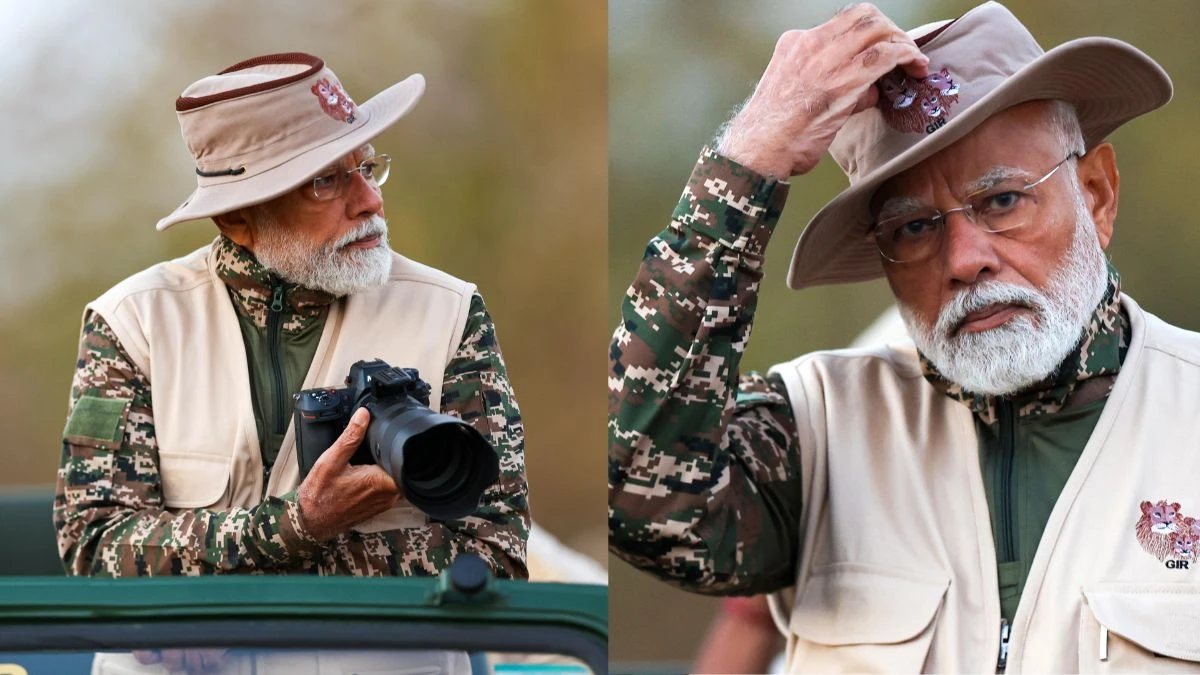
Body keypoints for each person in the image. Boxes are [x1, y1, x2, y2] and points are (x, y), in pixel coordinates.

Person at [609, 1, 1200, 671]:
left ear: (1096, 195)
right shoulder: (818, 433)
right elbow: (637, 489)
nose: (964, 259)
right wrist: (747, 159)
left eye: (1002, 200)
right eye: (915, 228)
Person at [54, 52, 529, 673]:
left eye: (367, 167)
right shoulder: (132, 322)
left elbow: (495, 551)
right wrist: (299, 525)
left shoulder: (448, 310)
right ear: (237, 216)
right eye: (325, 181)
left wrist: (233, 595)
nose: (369, 202)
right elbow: (95, 548)